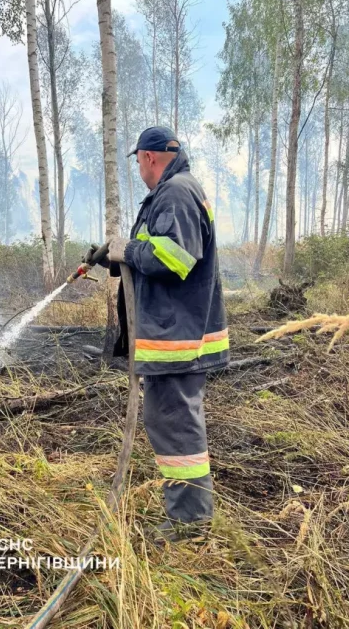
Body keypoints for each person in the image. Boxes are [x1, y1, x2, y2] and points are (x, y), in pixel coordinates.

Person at [84, 126, 229, 543]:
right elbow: (156, 250)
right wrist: (113, 257)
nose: (140, 171)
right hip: (174, 334)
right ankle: (189, 514)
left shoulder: (176, 192)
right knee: (171, 421)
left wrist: (124, 249)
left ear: (148, 157)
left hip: (177, 338)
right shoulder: (174, 190)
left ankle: (190, 522)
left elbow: (176, 257)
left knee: (175, 424)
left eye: (138, 163)